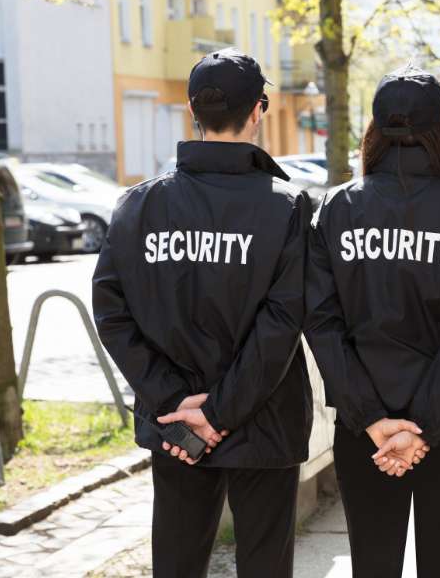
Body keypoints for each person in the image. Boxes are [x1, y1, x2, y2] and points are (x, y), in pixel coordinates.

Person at [92, 48, 312, 578]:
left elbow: (111, 311)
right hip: (262, 421)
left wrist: (176, 403)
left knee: (177, 559)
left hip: (176, 423)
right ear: (259, 110)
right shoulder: (287, 206)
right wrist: (220, 412)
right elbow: (281, 325)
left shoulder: (138, 205)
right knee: (264, 564)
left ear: (193, 111)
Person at [304, 66, 440, 578]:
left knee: (372, 563)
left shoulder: (336, 209)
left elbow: (322, 326)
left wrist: (372, 420)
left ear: (375, 128)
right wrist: (426, 427)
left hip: (366, 427)